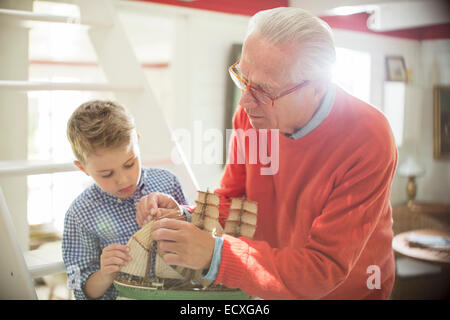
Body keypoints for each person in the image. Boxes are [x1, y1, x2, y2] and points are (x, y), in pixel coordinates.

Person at [137, 7, 398, 299]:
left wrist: (217, 256)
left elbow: (323, 270)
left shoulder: (367, 137)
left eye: (263, 89)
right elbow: (234, 200)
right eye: (242, 77)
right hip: (272, 284)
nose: (245, 101)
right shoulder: (252, 116)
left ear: (317, 88)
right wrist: (185, 217)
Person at [62, 100, 188, 299]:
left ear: (137, 142)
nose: (123, 180)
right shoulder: (80, 214)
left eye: (129, 164)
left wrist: (178, 216)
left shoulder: (168, 183)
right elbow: (81, 290)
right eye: (106, 174)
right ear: (83, 168)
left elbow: (196, 237)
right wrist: (105, 274)